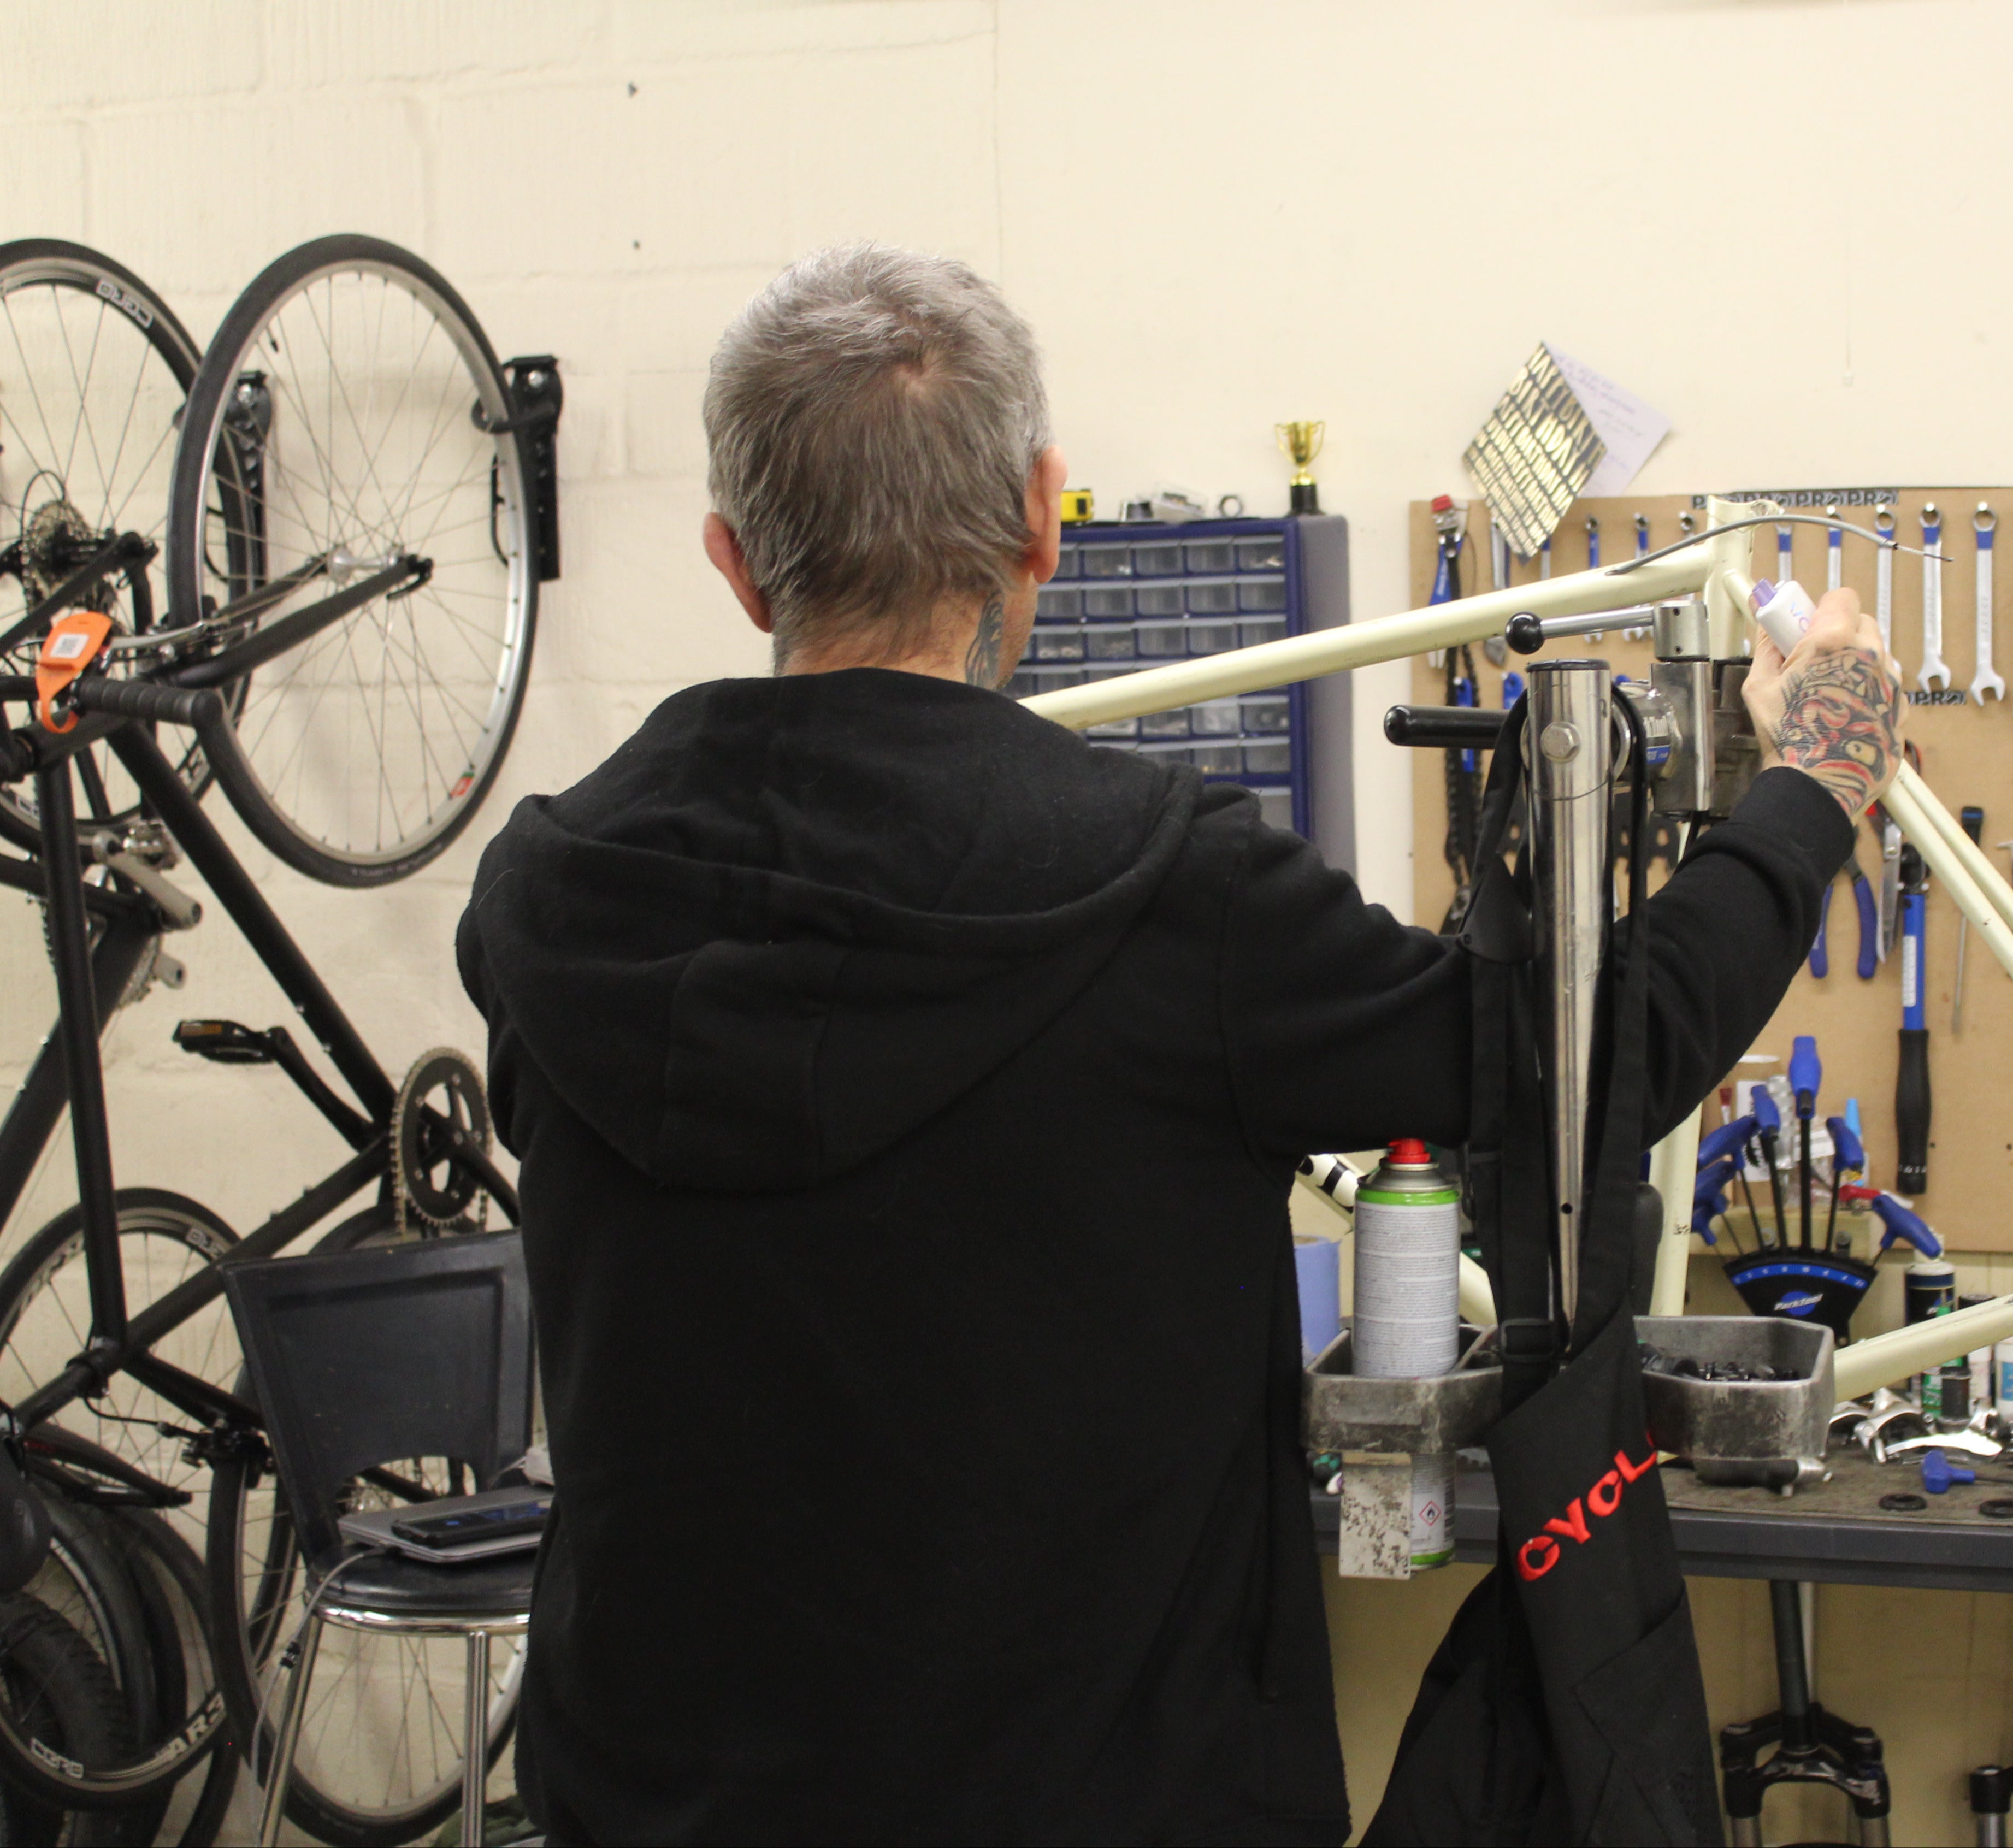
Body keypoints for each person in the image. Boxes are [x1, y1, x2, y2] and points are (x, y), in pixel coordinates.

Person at [456, 243, 1901, 1846]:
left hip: (652, 1802)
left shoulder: (546, 898)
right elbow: (1588, 1062)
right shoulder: (1171, 896)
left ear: (733, 561)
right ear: (1041, 518)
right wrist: (1818, 773)